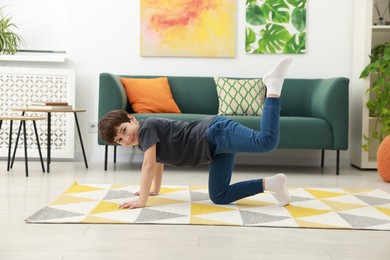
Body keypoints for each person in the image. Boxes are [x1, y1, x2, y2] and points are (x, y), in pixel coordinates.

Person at [98, 57, 293, 210]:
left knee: (265, 142)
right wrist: (154, 189)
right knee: (219, 196)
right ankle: (272, 184)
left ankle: (273, 88)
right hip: (214, 150)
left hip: (215, 132)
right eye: (119, 140)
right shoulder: (144, 142)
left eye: (124, 130)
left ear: (132, 119)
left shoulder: (147, 127)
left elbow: (149, 164)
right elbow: (157, 162)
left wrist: (142, 199)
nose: (126, 138)